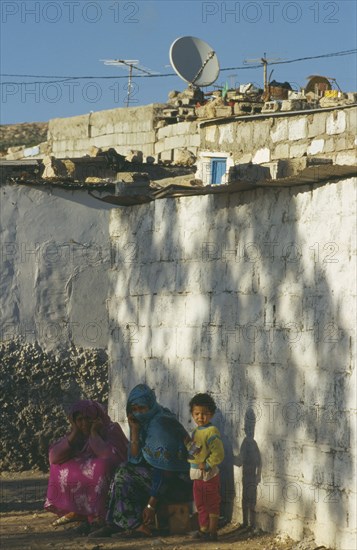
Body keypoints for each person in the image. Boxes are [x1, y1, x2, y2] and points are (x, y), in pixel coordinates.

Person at [91, 383, 191, 538]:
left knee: (124, 472)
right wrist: (135, 432)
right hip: (157, 480)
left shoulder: (161, 425)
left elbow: (165, 470)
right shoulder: (142, 424)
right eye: (134, 409)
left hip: (176, 484)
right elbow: (135, 460)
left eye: (142, 409)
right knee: (122, 469)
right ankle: (118, 524)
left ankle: (133, 525)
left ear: (151, 406)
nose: (138, 413)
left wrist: (151, 504)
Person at [44, 399, 128, 533]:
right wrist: (75, 432)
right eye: (79, 420)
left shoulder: (111, 429)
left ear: (97, 418)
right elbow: (54, 457)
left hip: (114, 475)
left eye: (88, 419)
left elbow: (108, 456)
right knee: (58, 465)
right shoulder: (77, 434)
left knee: (101, 466)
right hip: (90, 475)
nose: (84, 423)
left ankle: (100, 518)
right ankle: (82, 513)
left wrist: (94, 433)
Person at [185, 393, 224, 542]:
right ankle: (204, 529)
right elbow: (195, 452)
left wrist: (207, 464)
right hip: (197, 475)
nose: (200, 417)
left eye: (204, 414)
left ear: (211, 414)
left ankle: (213, 532)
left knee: (212, 502)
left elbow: (219, 453)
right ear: (192, 414)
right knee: (200, 503)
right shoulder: (196, 431)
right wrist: (188, 444)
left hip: (209, 475)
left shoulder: (212, 431)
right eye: (197, 414)